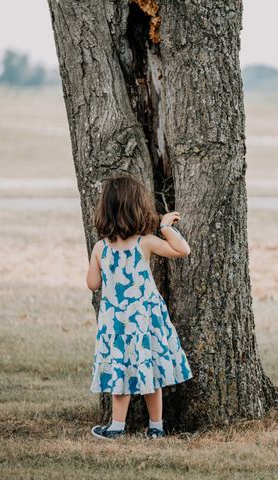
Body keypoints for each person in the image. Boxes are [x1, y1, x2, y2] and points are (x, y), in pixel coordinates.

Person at [85, 175, 194, 440]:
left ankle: (116, 426)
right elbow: (182, 250)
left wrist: (97, 263)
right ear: (138, 209)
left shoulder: (100, 248)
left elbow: (92, 284)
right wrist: (165, 226)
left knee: (119, 374)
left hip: (116, 323)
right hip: (144, 321)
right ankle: (155, 426)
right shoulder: (144, 242)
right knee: (150, 371)